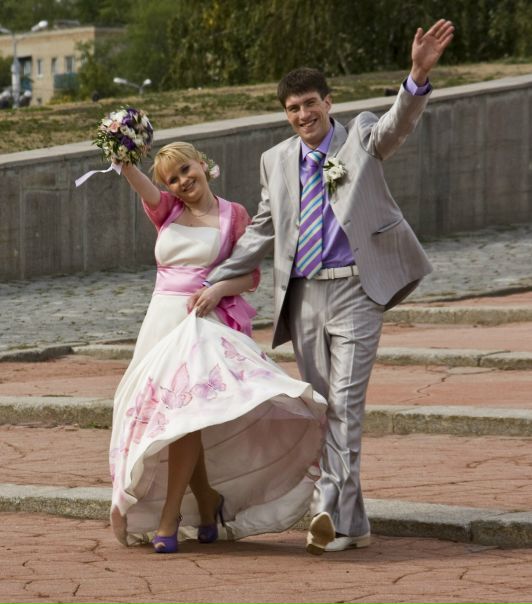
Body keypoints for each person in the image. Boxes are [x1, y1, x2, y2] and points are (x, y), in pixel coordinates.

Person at [192, 19, 455, 554]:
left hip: (357, 291)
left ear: (328, 102)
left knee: (346, 406)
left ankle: (325, 509)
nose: (303, 114)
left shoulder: (360, 136)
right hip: (304, 296)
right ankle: (353, 525)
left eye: (310, 103)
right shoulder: (274, 160)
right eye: (293, 108)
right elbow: (262, 229)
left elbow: (396, 128)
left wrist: (416, 77)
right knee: (324, 407)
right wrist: (216, 281)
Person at [109, 141, 327, 553]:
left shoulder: (234, 214)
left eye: (185, 170)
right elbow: (140, 184)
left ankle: (170, 517)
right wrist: (122, 157)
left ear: (202, 164)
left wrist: (217, 290)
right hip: (161, 323)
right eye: (172, 179)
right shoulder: (166, 210)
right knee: (178, 418)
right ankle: (207, 501)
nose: (181, 182)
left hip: (202, 324)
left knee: (185, 414)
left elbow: (251, 276)